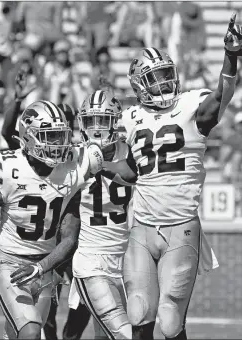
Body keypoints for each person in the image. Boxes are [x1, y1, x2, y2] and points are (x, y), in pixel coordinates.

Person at [116, 13, 242, 340]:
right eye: (154, 78)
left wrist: (230, 57)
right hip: (142, 227)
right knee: (138, 311)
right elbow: (130, 172)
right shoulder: (130, 119)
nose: (163, 83)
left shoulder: (191, 106)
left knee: (171, 318)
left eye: (165, 75)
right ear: (138, 86)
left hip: (181, 227)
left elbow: (221, 97)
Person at [0, 98, 106, 339]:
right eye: (50, 137)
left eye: (60, 136)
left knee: (23, 334)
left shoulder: (74, 168)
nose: (58, 144)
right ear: (29, 138)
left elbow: (70, 239)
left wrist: (41, 267)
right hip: (10, 266)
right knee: (31, 332)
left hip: (45, 269)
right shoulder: (9, 167)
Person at [69, 90, 137, 340]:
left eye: (103, 120)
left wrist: (101, 165)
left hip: (126, 260)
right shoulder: (74, 156)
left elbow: (132, 175)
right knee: (124, 334)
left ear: (115, 122)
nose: (97, 128)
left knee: (106, 335)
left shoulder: (129, 151)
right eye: (90, 121)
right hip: (92, 259)